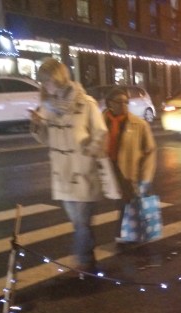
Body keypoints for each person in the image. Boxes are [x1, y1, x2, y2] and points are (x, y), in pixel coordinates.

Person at [29, 58, 108, 273]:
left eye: (47, 81)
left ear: (58, 78)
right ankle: (88, 260)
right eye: (42, 82)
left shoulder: (86, 103)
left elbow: (100, 132)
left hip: (83, 175)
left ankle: (83, 263)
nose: (45, 86)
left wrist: (88, 153)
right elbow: (46, 140)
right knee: (79, 224)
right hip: (62, 176)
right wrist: (37, 125)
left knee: (82, 223)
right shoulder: (47, 107)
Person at [102, 87, 157, 242]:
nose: (123, 105)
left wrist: (145, 177)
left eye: (126, 102)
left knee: (127, 203)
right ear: (109, 104)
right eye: (119, 102)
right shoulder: (101, 122)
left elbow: (150, 151)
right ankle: (128, 234)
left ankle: (124, 235)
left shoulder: (139, 124)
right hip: (109, 170)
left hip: (129, 171)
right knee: (124, 203)